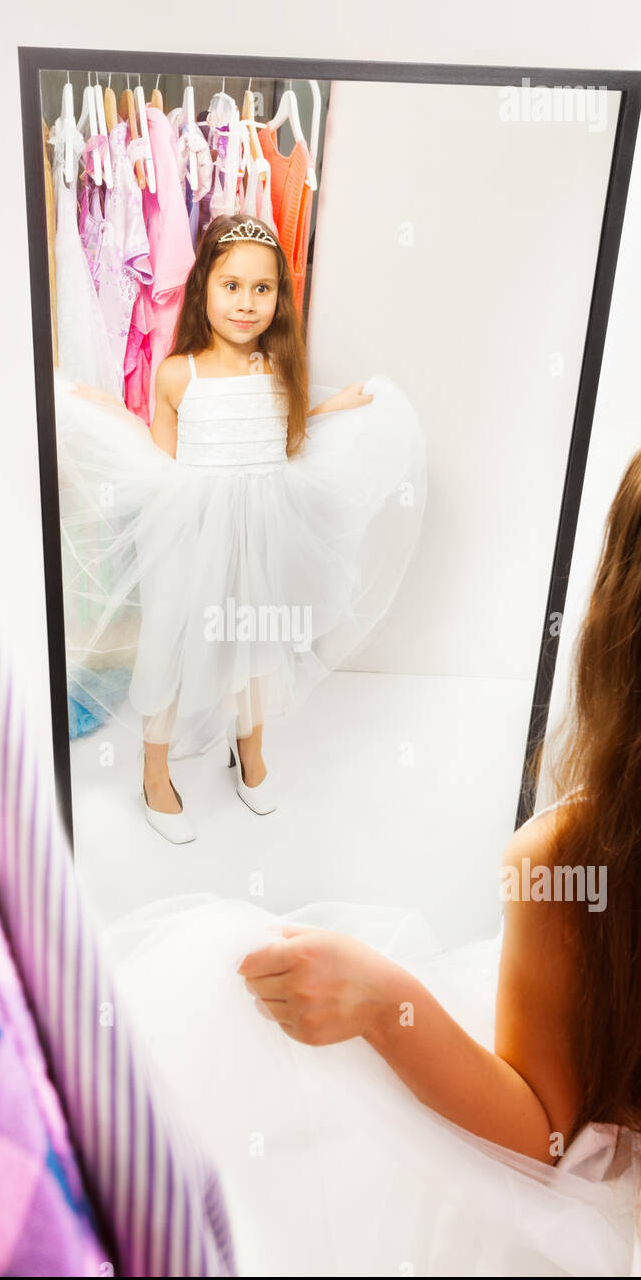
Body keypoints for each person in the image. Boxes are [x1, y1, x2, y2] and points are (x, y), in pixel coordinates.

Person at [98, 418, 641, 1276]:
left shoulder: (569, 860)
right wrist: (381, 1001)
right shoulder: (569, 865)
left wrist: (384, 1003)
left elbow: (550, 1132)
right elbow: (550, 1129)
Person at [53, 213, 427, 842]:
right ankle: (153, 772)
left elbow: (287, 442)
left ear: (280, 297)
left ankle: (248, 751)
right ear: (202, 288)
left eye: (263, 289)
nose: (246, 303)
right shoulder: (179, 374)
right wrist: (113, 416)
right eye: (231, 286)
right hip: (191, 532)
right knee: (170, 643)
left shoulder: (279, 370)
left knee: (255, 643)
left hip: (261, 530)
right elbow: (158, 462)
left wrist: (330, 408)